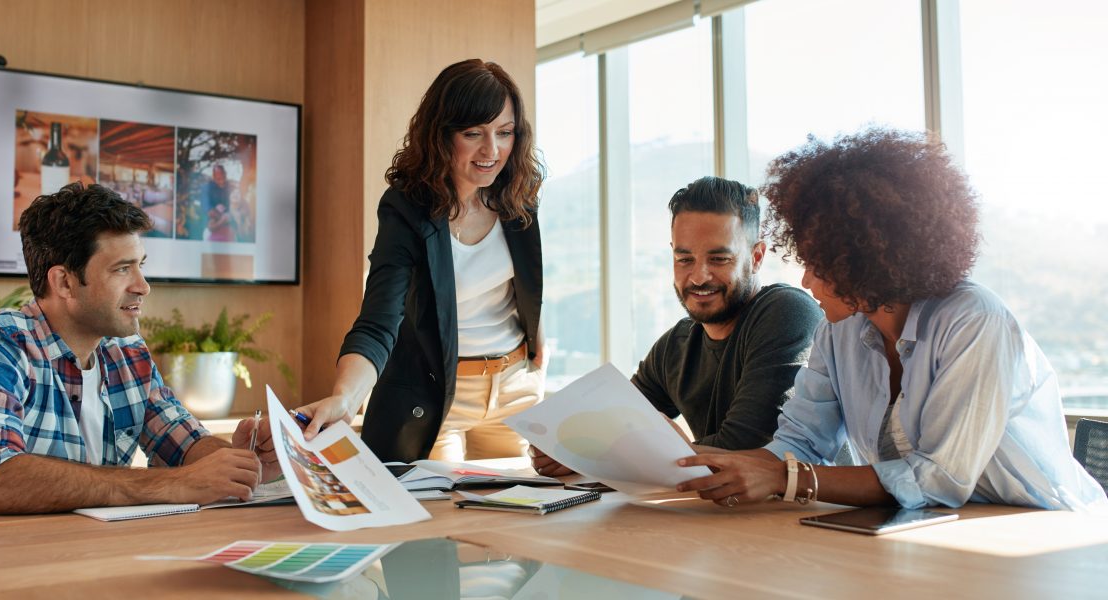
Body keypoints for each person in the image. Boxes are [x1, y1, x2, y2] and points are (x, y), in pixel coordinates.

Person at [675, 128, 1107, 511]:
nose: (806, 280)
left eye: (819, 264)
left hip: (1051, 534)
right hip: (932, 531)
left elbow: (940, 478)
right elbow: (799, 442)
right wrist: (694, 461)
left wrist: (789, 480)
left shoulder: (974, 322)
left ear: (867, 262)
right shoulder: (837, 332)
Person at [0, 182, 268, 515]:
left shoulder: (127, 351)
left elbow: (185, 441)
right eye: (122, 269)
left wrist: (247, 462)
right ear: (64, 282)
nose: (143, 286)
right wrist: (172, 484)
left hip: (91, 554)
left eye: (140, 265)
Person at [271, 59, 545, 464]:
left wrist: (540, 338)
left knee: (520, 516)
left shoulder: (517, 193)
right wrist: (346, 398)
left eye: (504, 133)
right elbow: (379, 320)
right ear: (441, 135)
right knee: (440, 516)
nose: (493, 150)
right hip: (440, 398)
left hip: (516, 389)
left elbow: (523, 279)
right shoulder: (407, 209)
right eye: (474, 134)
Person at [531, 177, 822, 476]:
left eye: (719, 258)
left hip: (806, 513)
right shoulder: (676, 345)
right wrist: (565, 452)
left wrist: (620, 450)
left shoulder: (787, 313)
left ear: (756, 257)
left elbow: (742, 451)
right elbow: (611, 427)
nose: (698, 277)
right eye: (684, 259)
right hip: (726, 515)